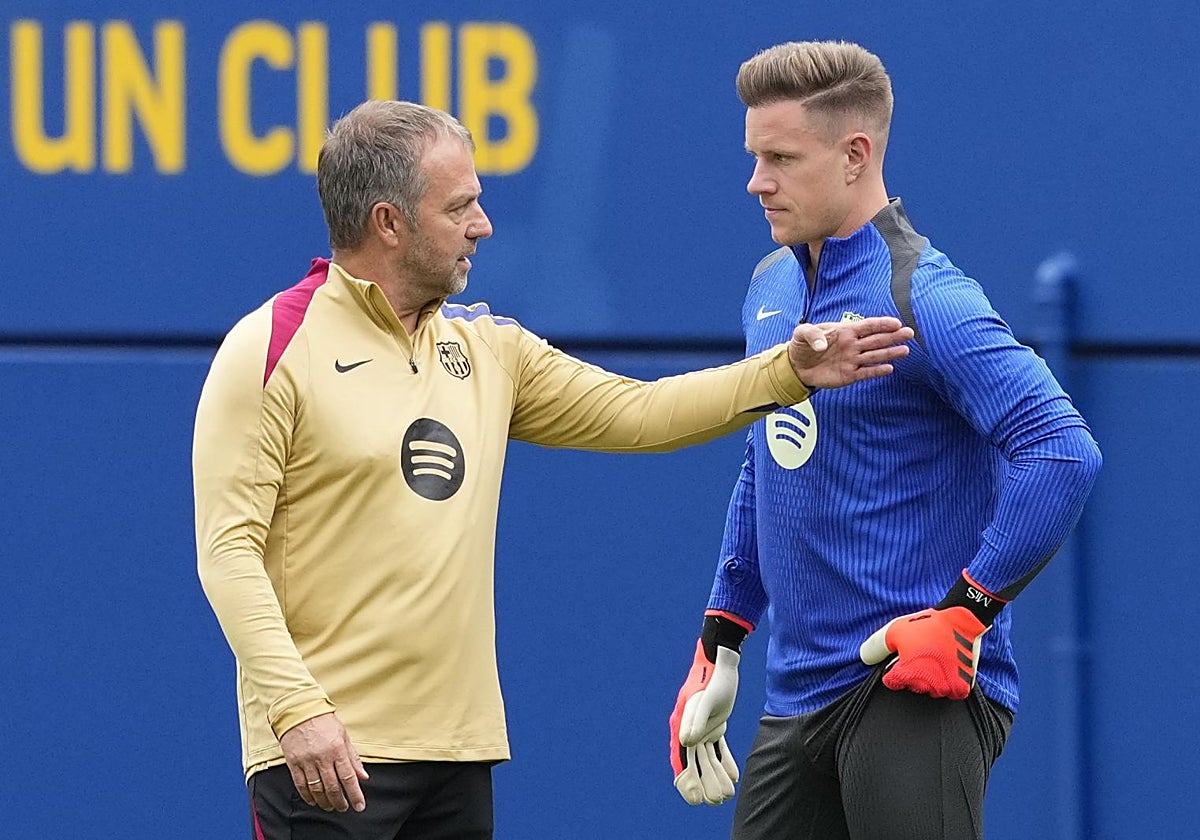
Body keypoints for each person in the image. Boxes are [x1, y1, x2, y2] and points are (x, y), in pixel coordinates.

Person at [192, 98, 913, 840]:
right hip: (327, 759)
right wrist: (298, 711)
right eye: (462, 206)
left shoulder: (486, 348)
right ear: (389, 223)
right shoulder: (273, 346)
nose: (484, 225)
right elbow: (228, 552)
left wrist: (785, 372)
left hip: (458, 756)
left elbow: (639, 413)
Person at [667, 41, 1103, 839]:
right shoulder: (770, 285)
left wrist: (965, 616)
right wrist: (722, 636)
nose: (755, 181)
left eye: (779, 158)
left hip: (912, 689)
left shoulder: (924, 297)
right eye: (754, 156)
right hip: (795, 699)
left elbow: (1062, 450)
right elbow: (768, 458)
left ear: (855, 154)